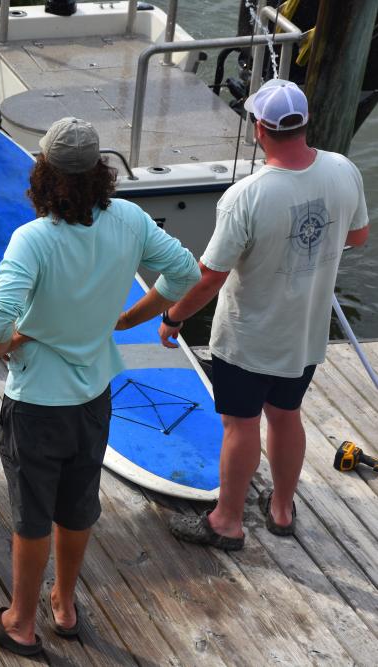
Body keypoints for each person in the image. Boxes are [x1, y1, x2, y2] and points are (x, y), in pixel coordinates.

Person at [0, 117, 200, 655]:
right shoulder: (130, 221)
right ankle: (65, 606)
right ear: (100, 172)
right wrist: (131, 316)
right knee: (78, 505)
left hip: (36, 406)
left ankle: (20, 622)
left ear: (43, 173)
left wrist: (9, 342)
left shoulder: (33, 240)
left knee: (31, 516)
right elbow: (185, 273)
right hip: (95, 397)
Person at [163, 79, 370, 551]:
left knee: (240, 426)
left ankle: (227, 523)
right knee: (286, 414)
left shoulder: (246, 196)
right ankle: (281, 509)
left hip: (248, 337)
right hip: (306, 333)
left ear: (259, 128)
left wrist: (173, 318)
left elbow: (209, 277)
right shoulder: (342, 169)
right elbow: (357, 238)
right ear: (304, 122)